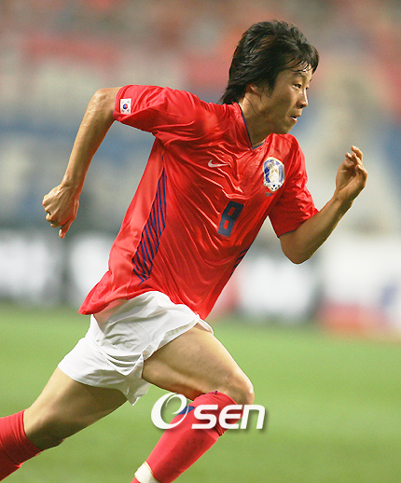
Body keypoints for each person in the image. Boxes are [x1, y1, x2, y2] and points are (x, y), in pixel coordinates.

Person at [0, 20, 367, 483]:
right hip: (138, 295)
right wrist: (71, 188)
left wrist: (340, 202)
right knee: (232, 392)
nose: (305, 100)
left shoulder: (285, 156)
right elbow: (105, 102)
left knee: (37, 430)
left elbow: (296, 245)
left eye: (307, 87)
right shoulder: (195, 118)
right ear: (256, 83)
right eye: (296, 84)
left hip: (165, 318)